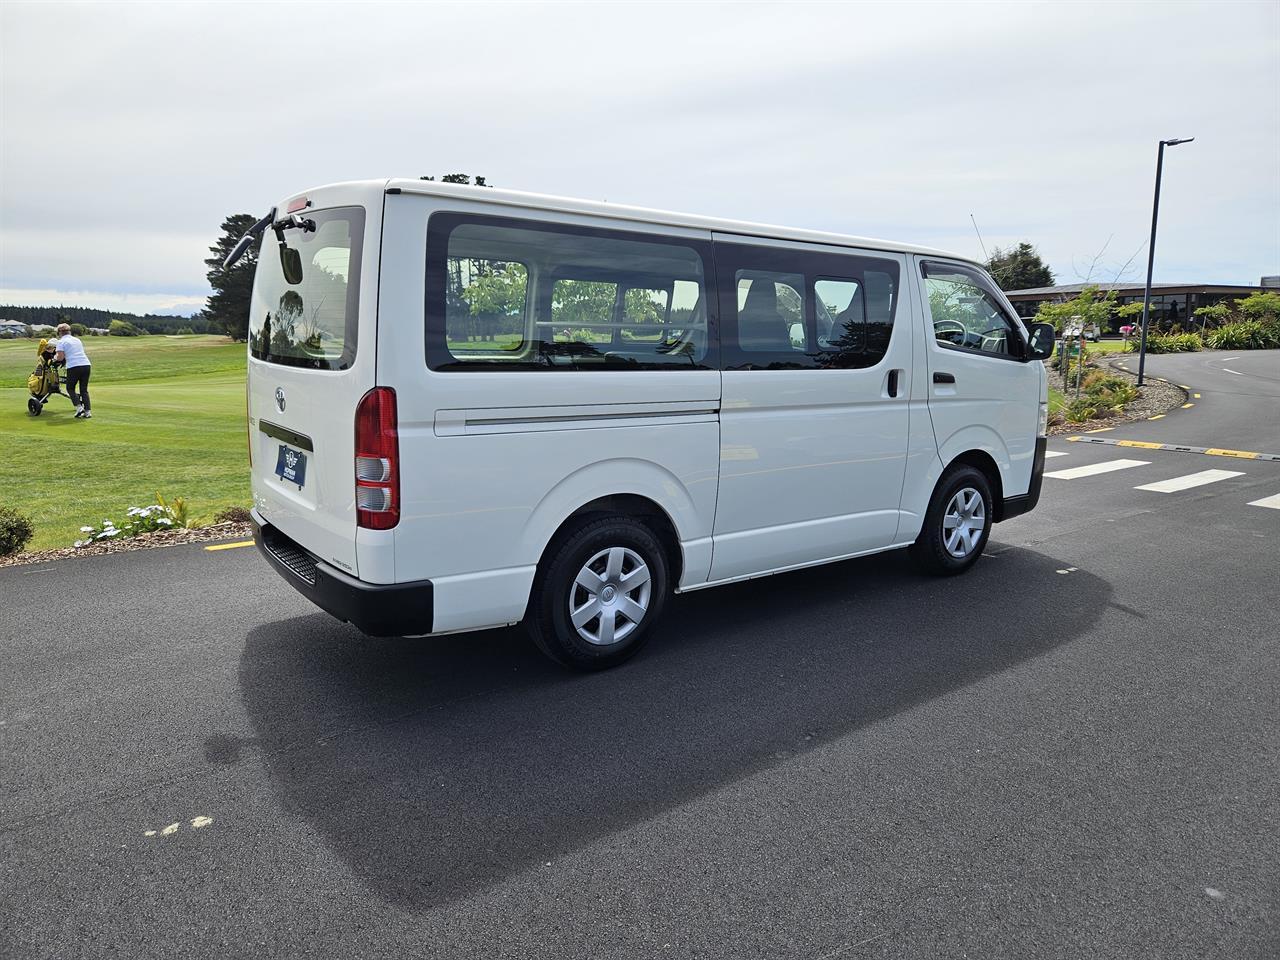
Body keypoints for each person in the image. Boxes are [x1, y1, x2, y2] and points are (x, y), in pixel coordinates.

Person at [54, 323, 92, 418]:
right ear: (69, 331)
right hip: (86, 365)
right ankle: (87, 412)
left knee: (70, 388)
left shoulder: (61, 342)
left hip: (74, 366)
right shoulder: (77, 340)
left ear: (60, 332)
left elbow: (60, 357)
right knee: (84, 390)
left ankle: (79, 408)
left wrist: (55, 358)